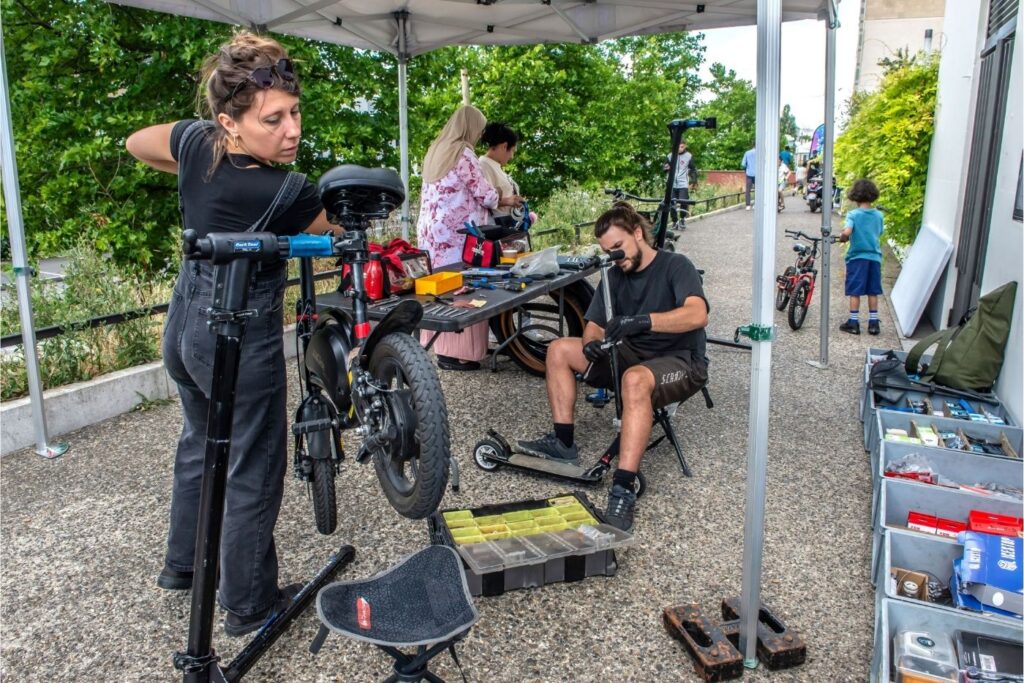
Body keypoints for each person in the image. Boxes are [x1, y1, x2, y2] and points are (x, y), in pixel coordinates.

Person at [126, 32, 334, 637]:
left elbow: (137, 142)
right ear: (231, 121)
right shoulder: (287, 191)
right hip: (241, 334)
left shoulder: (198, 143)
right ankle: (249, 604)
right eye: (273, 119)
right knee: (253, 462)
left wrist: (197, 159)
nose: (292, 130)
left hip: (186, 325)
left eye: (295, 112)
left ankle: (184, 566)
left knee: (199, 442)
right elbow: (340, 226)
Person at [517, 202, 709, 531]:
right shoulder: (615, 274)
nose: (615, 257)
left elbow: (698, 314)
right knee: (560, 349)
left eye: (618, 248)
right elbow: (594, 324)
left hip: (681, 361)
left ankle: (623, 487)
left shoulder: (676, 266)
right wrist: (591, 342)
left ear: (638, 233)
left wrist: (644, 321)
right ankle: (563, 443)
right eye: (609, 252)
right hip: (630, 354)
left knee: (635, 380)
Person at [416, 106, 517, 371]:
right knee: (464, 287)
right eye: (479, 129)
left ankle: (441, 349)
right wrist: (502, 196)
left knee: (440, 289)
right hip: (457, 234)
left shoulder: (435, 150)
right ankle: (460, 355)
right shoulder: (464, 153)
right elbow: (485, 195)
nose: (480, 134)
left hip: (431, 234)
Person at [838, 179, 884, 336]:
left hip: (857, 258)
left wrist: (842, 236)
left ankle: (853, 322)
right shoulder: (878, 215)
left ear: (855, 196)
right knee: (873, 291)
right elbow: (879, 232)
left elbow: (848, 231)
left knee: (855, 291)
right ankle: (873, 324)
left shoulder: (853, 214)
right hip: (874, 258)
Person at [478, 122, 524, 224]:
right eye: (512, 151)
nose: (511, 156)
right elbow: (483, 199)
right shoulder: (484, 165)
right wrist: (508, 201)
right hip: (496, 227)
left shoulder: (493, 165)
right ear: (504, 146)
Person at [665, 140, 693, 228]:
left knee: (683, 201)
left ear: (685, 146)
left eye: (682, 147)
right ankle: (674, 221)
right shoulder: (670, 156)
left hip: (683, 184)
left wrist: (694, 180)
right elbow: (665, 166)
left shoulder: (689, 156)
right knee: (672, 203)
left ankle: (682, 219)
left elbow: (693, 169)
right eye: (679, 147)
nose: (680, 149)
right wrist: (666, 168)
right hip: (672, 184)